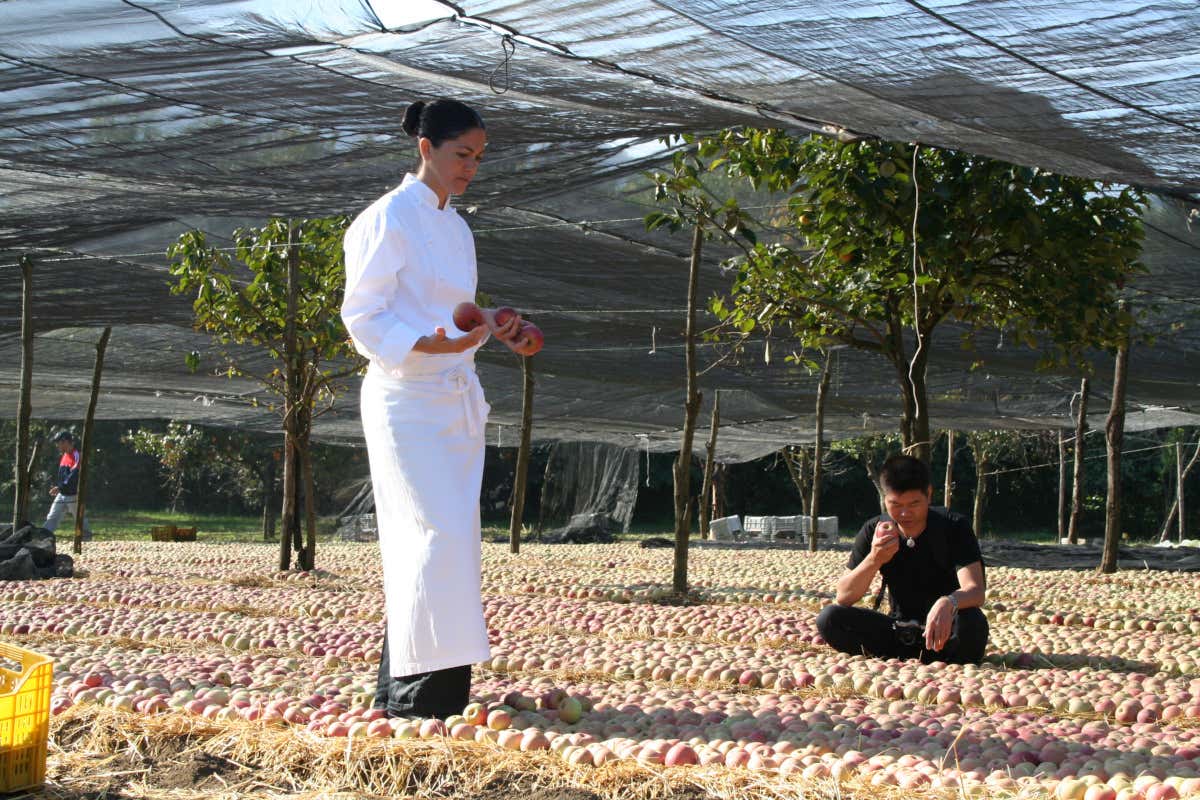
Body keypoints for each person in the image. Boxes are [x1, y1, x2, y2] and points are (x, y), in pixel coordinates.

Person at [341, 98, 528, 720]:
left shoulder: (457, 227)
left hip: (453, 397)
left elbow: (452, 312)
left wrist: (494, 325)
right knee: (429, 537)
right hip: (406, 397)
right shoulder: (386, 218)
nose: (470, 167)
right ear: (426, 149)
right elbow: (363, 313)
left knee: (451, 541)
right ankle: (417, 699)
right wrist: (424, 342)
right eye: (460, 155)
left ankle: (416, 695)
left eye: (477, 157)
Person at [816, 454, 987, 664]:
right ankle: (900, 659)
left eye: (914, 503)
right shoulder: (874, 530)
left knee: (973, 622)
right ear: (884, 499)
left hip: (944, 633)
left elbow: (976, 590)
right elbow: (844, 596)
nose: (905, 513)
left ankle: (942, 659)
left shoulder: (954, 526)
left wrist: (948, 602)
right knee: (830, 618)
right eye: (895, 504)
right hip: (897, 632)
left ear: (929, 494)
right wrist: (875, 558)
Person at [43, 430, 94, 539]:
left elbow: (74, 475)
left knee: (79, 518)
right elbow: (64, 476)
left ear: (65, 441)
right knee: (52, 517)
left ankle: (86, 539)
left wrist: (59, 487)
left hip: (74, 494)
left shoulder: (77, 455)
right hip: (62, 494)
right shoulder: (64, 456)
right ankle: (44, 537)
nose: (57, 445)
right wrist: (59, 487)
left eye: (58, 442)